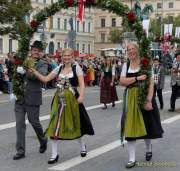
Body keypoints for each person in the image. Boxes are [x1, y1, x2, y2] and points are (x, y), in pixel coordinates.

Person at [30, 48, 94, 164]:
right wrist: (34, 71)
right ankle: (54, 154)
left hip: (72, 100)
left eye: (69, 55)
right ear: (62, 57)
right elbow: (45, 79)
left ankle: (82, 146)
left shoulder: (76, 68)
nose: (67, 57)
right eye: (65, 56)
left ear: (72, 57)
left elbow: (82, 84)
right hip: (59, 100)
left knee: (75, 123)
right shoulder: (59, 68)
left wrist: (82, 96)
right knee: (54, 125)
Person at [120, 43, 163, 169]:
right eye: (129, 50)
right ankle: (132, 158)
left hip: (144, 97)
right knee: (130, 127)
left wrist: (149, 100)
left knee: (147, 125)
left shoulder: (145, 64)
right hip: (130, 99)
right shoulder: (126, 65)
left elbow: (150, 83)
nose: (131, 51)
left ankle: (148, 148)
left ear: (137, 50)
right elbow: (122, 81)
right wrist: (137, 78)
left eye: (133, 49)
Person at [13, 41, 48, 160]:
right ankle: (20, 150)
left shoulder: (43, 63)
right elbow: (16, 75)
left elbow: (41, 76)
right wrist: (14, 89)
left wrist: (26, 72)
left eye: (38, 51)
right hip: (20, 98)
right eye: (34, 50)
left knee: (34, 122)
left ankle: (43, 140)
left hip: (33, 97)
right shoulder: (24, 61)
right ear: (31, 51)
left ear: (41, 53)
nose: (36, 52)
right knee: (19, 125)